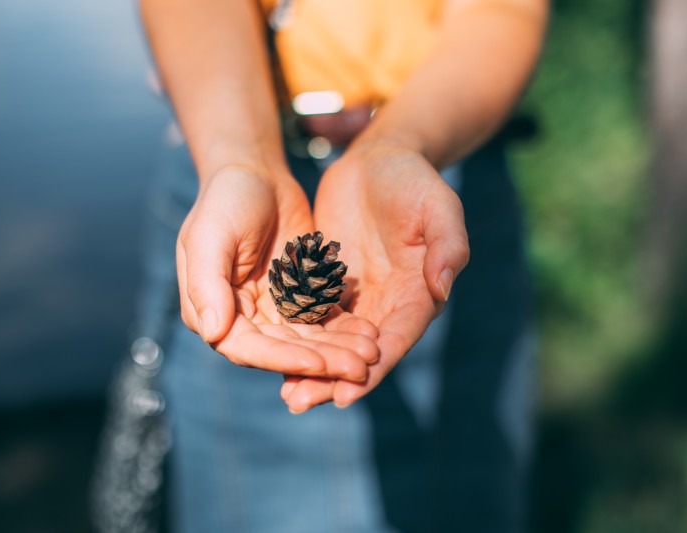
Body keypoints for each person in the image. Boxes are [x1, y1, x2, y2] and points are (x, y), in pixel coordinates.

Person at [136, 0, 548, 531]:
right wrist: (241, 161)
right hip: (231, 182)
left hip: (436, 187)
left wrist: (399, 146)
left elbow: (500, 13)